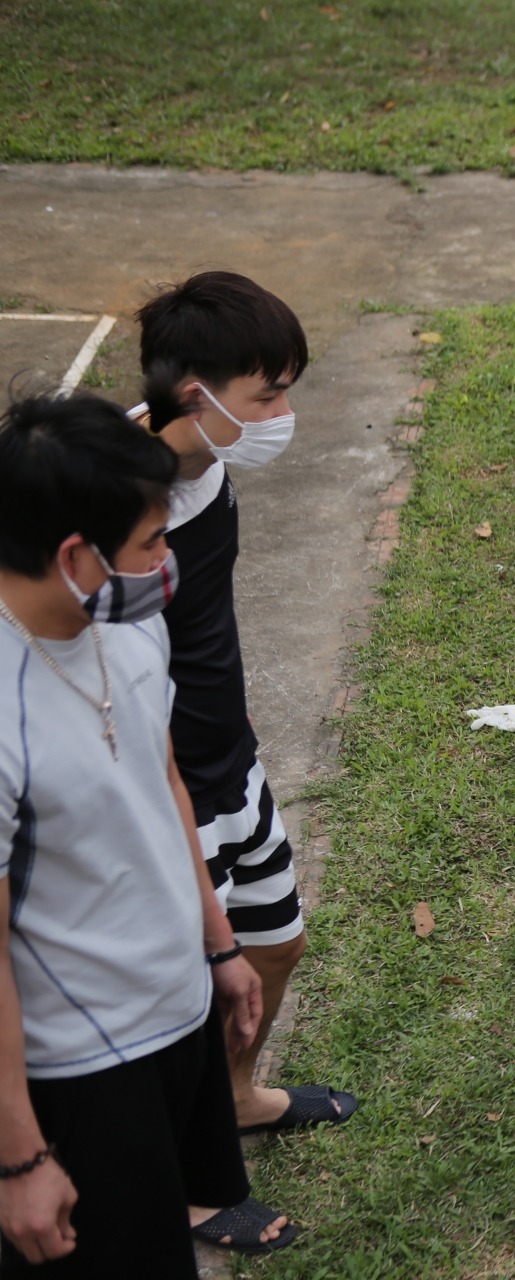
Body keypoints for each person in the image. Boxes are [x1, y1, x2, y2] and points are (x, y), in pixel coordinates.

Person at [0, 395, 297, 1274]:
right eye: (151, 544)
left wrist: (218, 946)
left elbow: (163, 780)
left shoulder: (124, 632)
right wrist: (20, 1156)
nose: (166, 562)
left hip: (177, 1010)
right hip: (85, 1064)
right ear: (72, 556)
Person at [135, 275, 359, 1207]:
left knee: (277, 945)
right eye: (267, 394)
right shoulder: (116, 506)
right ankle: (186, 1185)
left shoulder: (204, 462)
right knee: (187, 996)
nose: (283, 414)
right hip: (161, 788)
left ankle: (234, 1100)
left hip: (231, 756)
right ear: (198, 395)